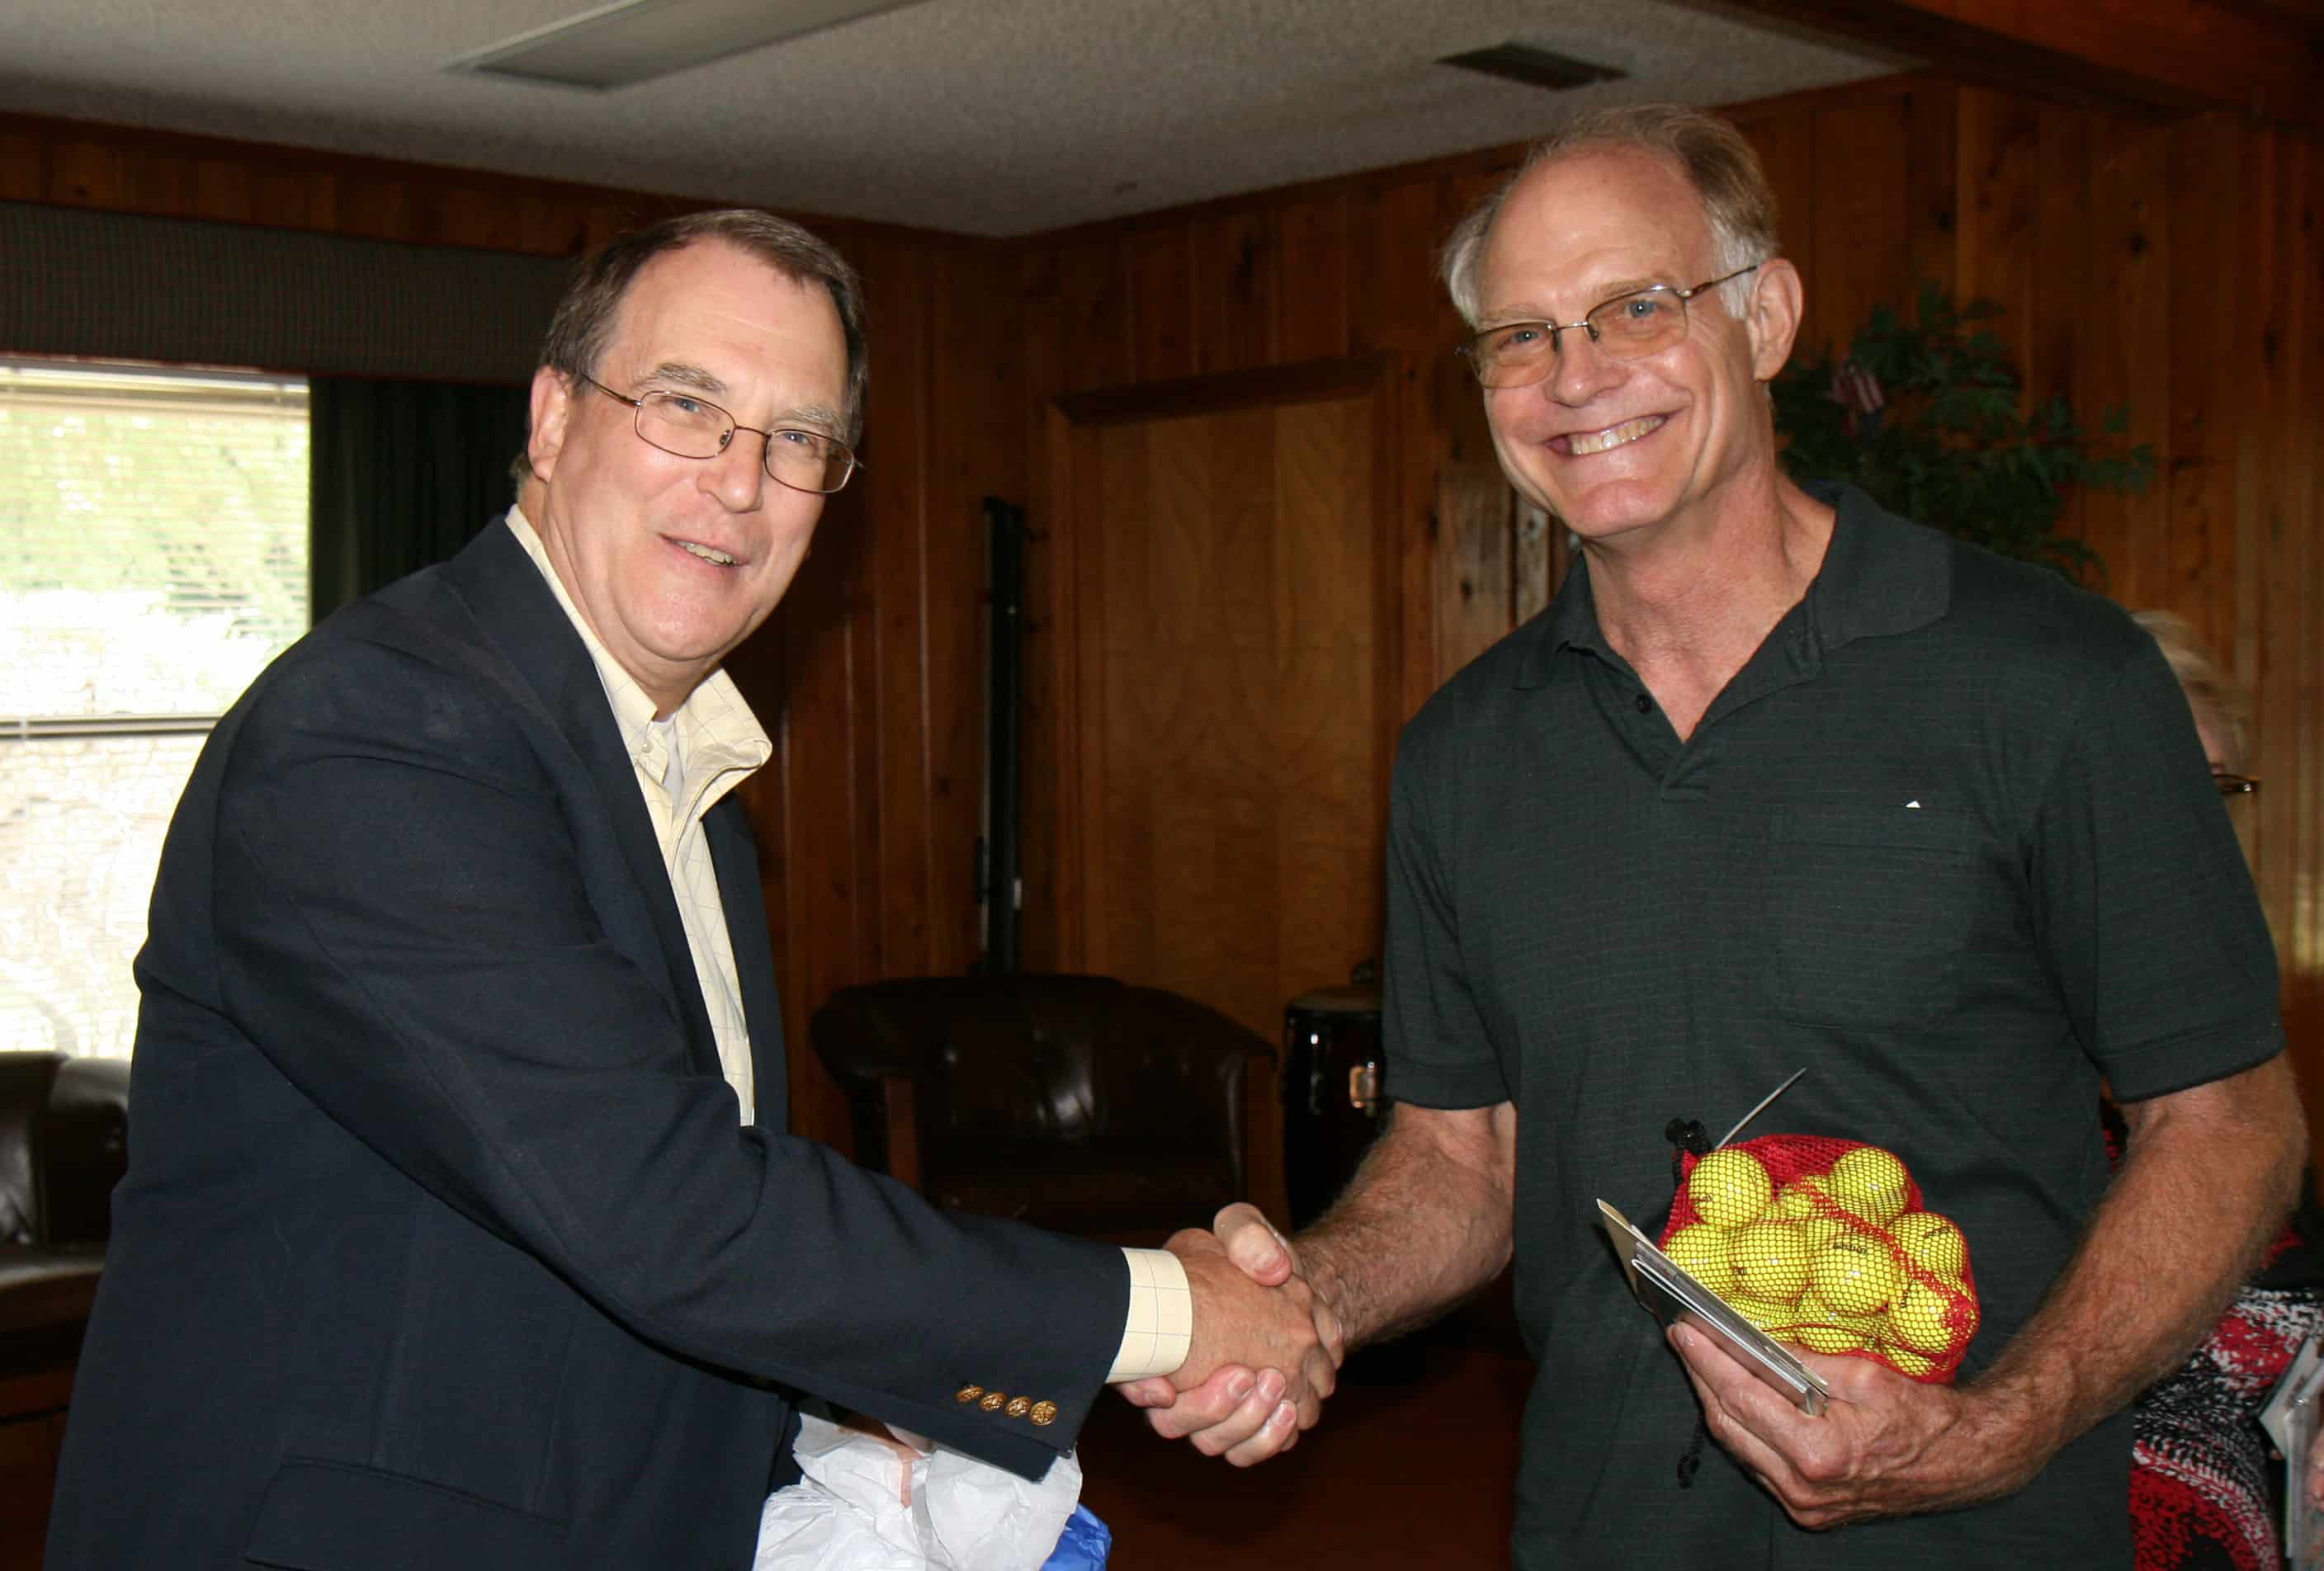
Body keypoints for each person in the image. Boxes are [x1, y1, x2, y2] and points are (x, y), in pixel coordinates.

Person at [45, 209, 1334, 1571]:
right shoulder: (379, 731)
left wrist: (850, 1420)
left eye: (799, 439)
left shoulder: (679, 770)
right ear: (552, 419)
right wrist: (1168, 1309)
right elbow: (669, 1209)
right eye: (685, 404)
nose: (739, 481)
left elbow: (637, 1242)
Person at [1128, 105, 2307, 1564]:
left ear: (1766, 317)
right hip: (1601, 1527)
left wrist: (2000, 1418)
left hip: (1981, 1532)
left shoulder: (2053, 683)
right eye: (1519, 336)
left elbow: (2233, 1121)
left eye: (1634, 305)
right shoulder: (1463, 754)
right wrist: (1305, 1294)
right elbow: (1461, 1156)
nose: (1576, 377)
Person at [2119, 610, 2322, 1570]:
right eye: (2150, 794)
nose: (2186, 837)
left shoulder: (2235, 1043)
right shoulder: (1967, 1066)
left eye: (2213, 793)